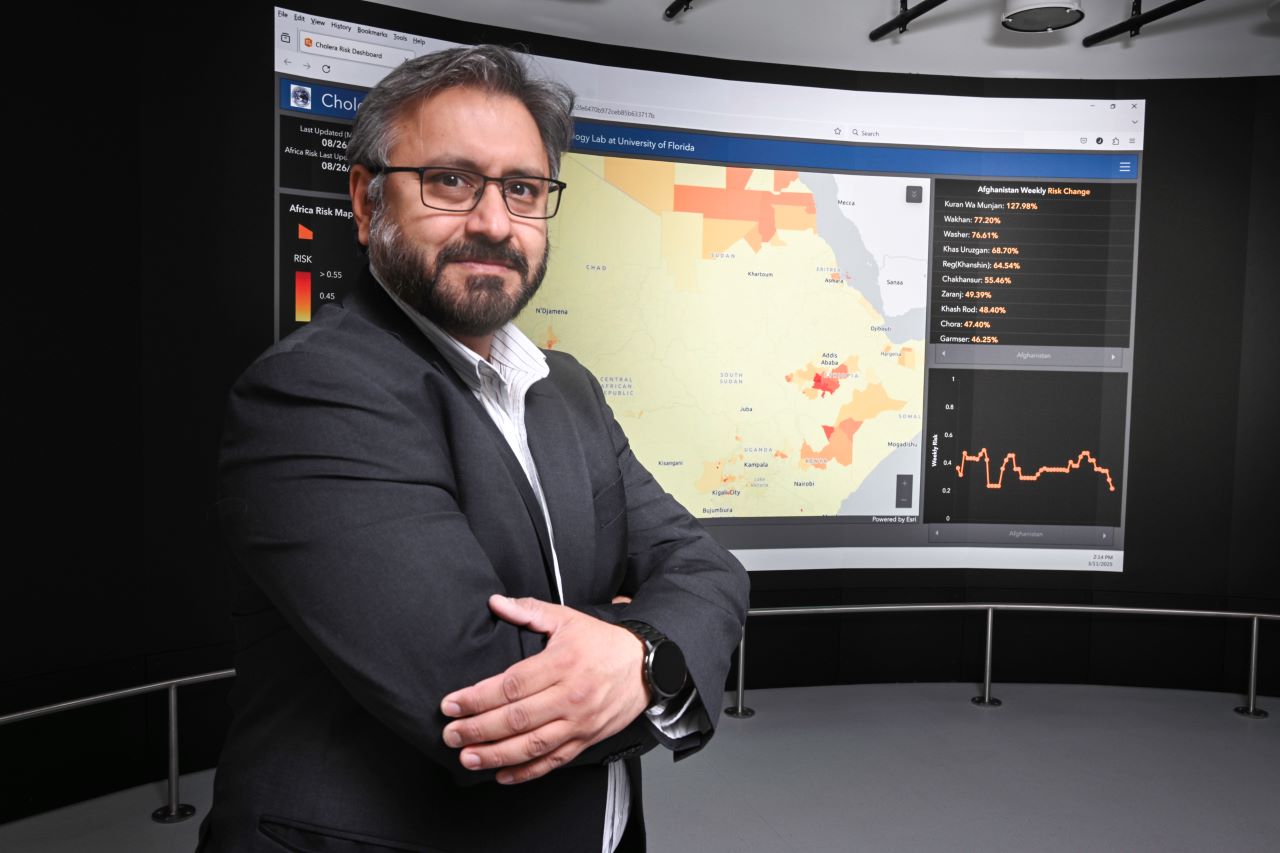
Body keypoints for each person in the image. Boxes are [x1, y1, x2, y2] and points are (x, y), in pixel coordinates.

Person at [198, 45, 749, 853]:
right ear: (365, 198)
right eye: (451, 180)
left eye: (522, 189)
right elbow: (476, 692)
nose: (494, 222)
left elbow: (707, 567)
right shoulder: (311, 395)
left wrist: (630, 646)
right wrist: (653, 654)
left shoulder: (568, 388)